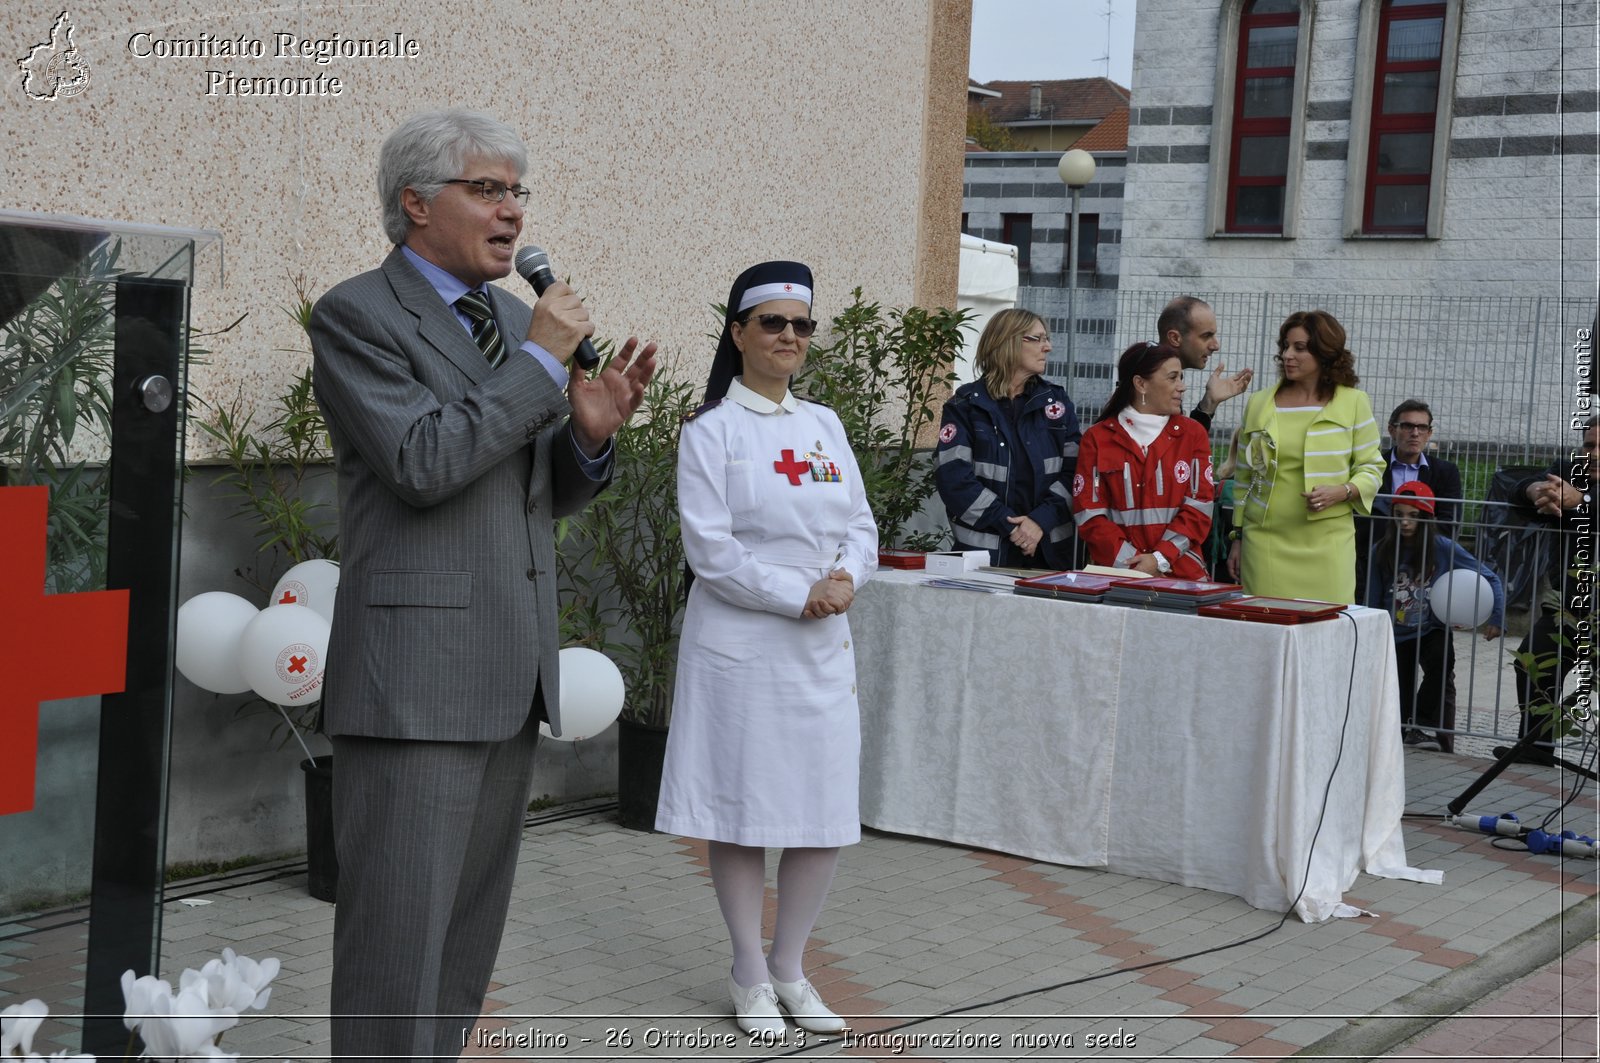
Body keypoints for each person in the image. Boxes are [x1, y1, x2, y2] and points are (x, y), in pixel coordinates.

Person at [308, 109, 656, 1062]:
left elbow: (532, 490)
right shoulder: (358, 316)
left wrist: (586, 433)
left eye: (517, 193)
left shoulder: (508, 318)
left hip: (508, 672)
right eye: (488, 189)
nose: (512, 212)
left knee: (462, 947)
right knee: (394, 951)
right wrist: (545, 364)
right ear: (416, 203)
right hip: (416, 684)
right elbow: (423, 460)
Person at [655, 262, 878, 1037]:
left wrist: (847, 574)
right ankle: (748, 970)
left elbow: (860, 521)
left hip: (822, 645)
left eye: (801, 325)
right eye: (773, 323)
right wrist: (797, 593)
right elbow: (710, 551)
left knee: (822, 812)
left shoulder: (825, 425)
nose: (789, 336)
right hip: (743, 644)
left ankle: (791, 965)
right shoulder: (709, 430)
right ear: (739, 332)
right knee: (744, 810)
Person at [1228, 310, 1385, 603]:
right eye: (1285, 346)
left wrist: (1343, 491)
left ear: (1325, 353)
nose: (1288, 355)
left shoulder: (1354, 403)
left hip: (1329, 544)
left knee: (1327, 632)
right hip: (1264, 543)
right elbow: (1244, 477)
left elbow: (1372, 467)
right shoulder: (1259, 403)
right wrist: (1238, 536)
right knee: (1268, 633)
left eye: (1300, 348)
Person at [934, 308, 1080, 569]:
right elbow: (953, 478)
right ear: (1009, 342)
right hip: (983, 560)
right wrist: (1011, 526)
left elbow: (1075, 473)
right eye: (1038, 338)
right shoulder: (965, 406)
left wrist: (1040, 521)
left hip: (1051, 557)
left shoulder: (1057, 404)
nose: (1048, 347)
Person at [1364, 481, 1503, 754]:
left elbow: (1489, 576)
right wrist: (1373, 632)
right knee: (1400, 684)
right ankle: (1406, 730)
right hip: (1396, 631)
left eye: (1413, 516)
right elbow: (1372, 596)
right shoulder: (1380, 551)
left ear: (1426, 518)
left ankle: (1420, 721)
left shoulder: (1442, 547)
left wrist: (1497, 617)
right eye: (1399, 514)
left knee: (1441, 665)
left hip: (1431, 628)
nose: (1405, 522)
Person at [1071, 341, 1215, 578]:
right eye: (1172, 378)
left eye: (1181, 377)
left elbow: (1199, 507)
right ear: (1140, 384)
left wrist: (1160, 559)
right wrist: (1133, 565)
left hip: (1183, 574)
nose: (1182, 387)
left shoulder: (1193, 434)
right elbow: (1090, 513)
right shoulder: (1096, 438)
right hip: (1118, 575)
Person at [1502, 416, 1595, 764]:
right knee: (1533, 664)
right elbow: (1515, 491)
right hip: (1569, 607)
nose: (1594, 453)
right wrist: (1536, 492)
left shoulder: (1577, 489)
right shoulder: (1566, 473)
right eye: (1588, 445)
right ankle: (1535, 749)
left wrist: (1580, 501)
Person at [1156, 295, 1253, 432]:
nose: (1215, 345)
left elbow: (1180, 443)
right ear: (1175, 338)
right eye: (1206, 336)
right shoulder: (1151, 382)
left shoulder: (1157, 374)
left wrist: (1209, 403)